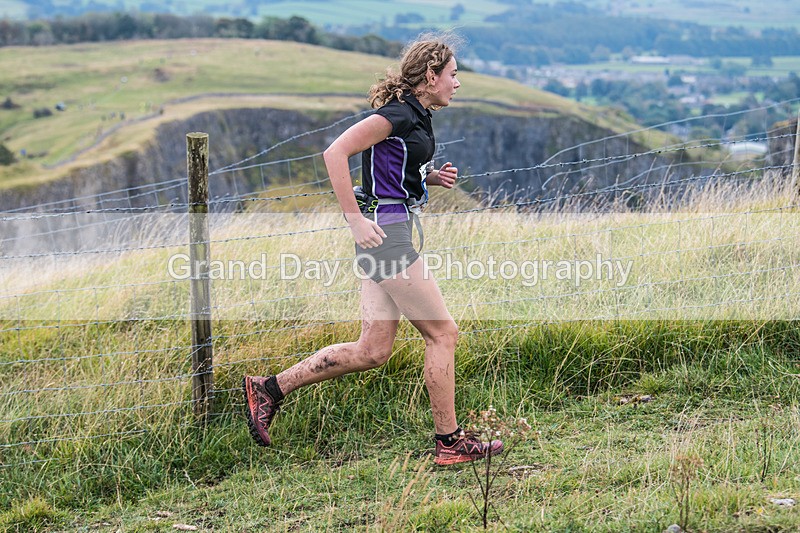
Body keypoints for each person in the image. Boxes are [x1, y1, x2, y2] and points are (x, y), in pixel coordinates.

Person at [243, 34, 503, 466]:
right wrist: (355, 219)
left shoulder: (417, 115)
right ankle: (450, 442)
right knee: (443, 334)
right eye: (452, 74)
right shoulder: (397, 114)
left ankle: (268, 389)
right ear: (430, 75)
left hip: (388, 232)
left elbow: (390, 168)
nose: (457, 83)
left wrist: (429, 178)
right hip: (386, 237)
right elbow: (335, 153)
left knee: (373, 350)